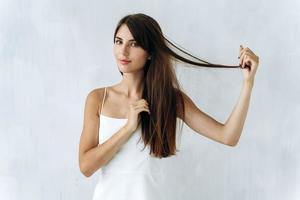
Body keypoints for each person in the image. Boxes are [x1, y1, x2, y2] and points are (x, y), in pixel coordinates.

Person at [78, 13, 259, 200]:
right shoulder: (98, 98)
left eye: (134, 44)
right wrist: (128, 128)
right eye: (118, 41)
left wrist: (248, 83)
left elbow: (228, 136)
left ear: (150, 52)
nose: (122, 52)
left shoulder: (169, 99)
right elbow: (86, 167)